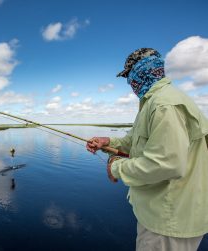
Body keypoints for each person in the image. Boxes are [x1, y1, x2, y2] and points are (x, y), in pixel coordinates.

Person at [86, 48, 208, 251]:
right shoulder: (153, 102)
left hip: (169, 222)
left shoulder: (164, 105)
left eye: (129, 76)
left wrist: (116, 168)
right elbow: (134, 140)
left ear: (140, 71)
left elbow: (167, 164)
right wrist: (107, 142)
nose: (130, 84)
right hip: (163, 217)